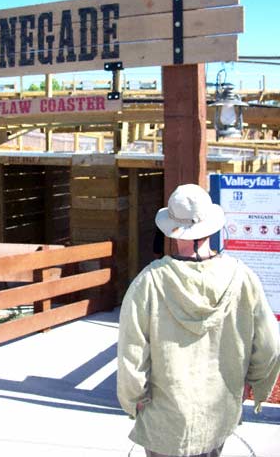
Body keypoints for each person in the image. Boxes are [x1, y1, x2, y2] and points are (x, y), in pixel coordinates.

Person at [117, 184, 280, 457]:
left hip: (164, 418)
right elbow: (271, 345)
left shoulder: (149, 282)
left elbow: (131, 353)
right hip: (219, 413)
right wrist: (253, 384)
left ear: (170, 228)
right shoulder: (242, 278)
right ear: (212, 226)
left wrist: (133, 399)